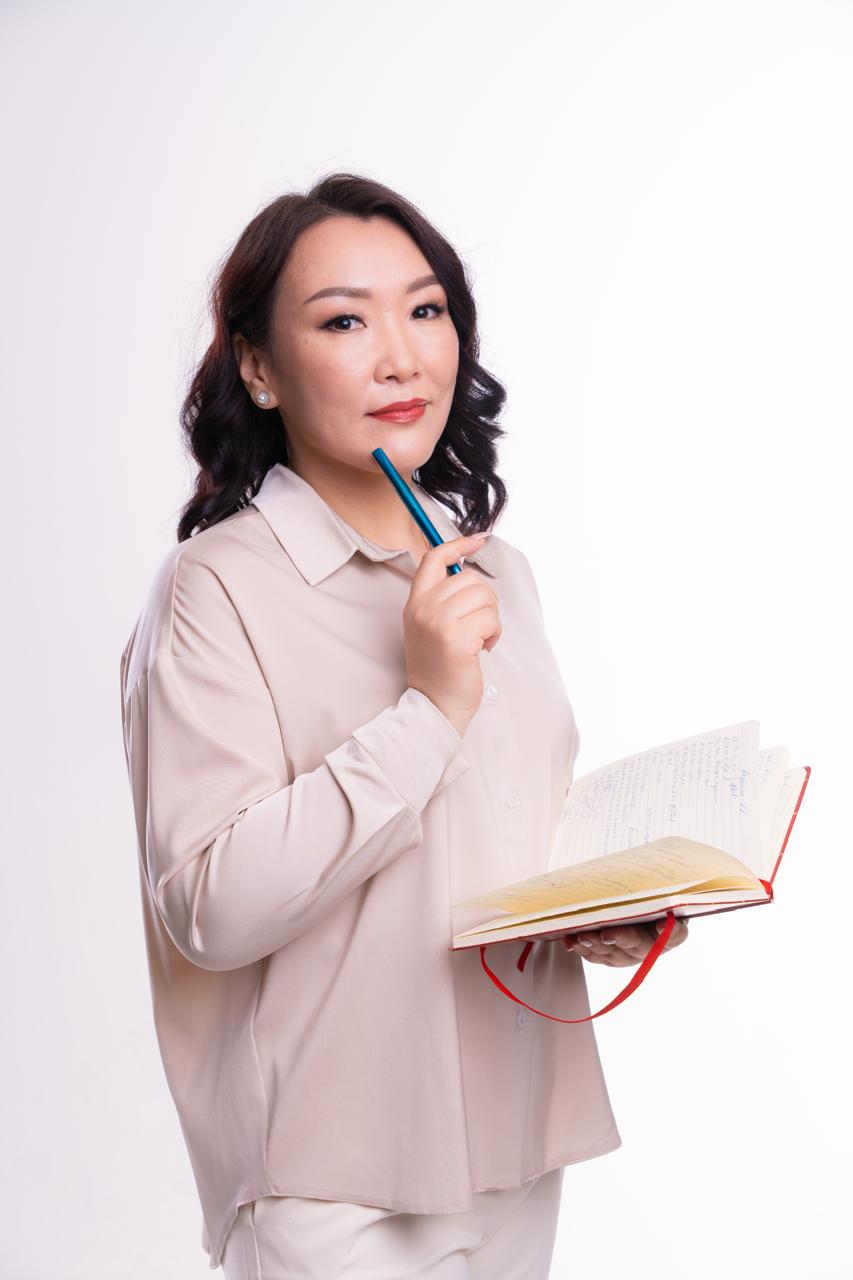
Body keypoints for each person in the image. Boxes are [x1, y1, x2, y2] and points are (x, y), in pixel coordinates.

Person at [118, 172, 688, 1279]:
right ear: (257, 366)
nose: (400, 357)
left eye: (425, 310)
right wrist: (428, 708)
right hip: (333, 1174)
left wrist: (602, 909)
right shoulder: (216, 587)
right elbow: (209, 905)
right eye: (344, 321)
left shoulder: (495, 570)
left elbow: (489, 844)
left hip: (516, 1139)